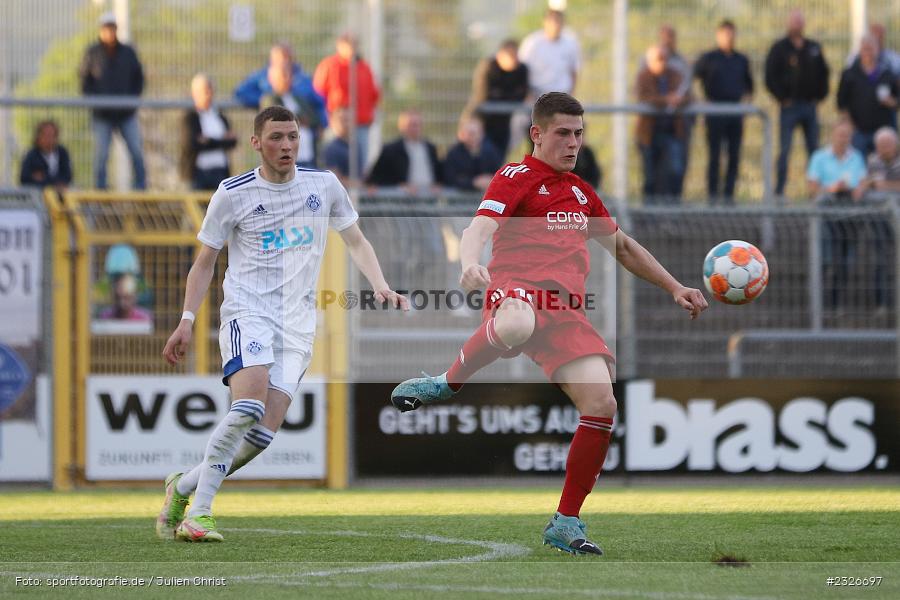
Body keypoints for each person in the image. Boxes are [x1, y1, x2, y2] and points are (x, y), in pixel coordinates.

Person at [390, 92, 708, 556]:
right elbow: (477, 228)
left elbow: (622, 248)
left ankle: (566, 520)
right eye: (563, 133)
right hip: (516, 291)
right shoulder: (516, 176)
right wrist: (470, 263)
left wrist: (675, 286)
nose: (573, 143)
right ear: (537, 134)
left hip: (566, 313)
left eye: (579, 134)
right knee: (517, 322)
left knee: (602, 402)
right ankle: (447, 382)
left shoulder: (581, 192)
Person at [157, 106, 407, 542]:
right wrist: (186, 320)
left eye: (292, 136)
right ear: (256, 143)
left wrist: (381, 284)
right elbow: (203, 265)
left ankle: (181, 487)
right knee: (248, 405)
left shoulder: (324, 185)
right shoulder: (232, 193)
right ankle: (200, 513)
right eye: (276, 137)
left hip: (297, 325)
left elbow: (356, 241)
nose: (286, 145)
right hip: (247, 312)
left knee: (260, 436)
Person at [764, 9, 830, 196]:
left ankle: (815, 193)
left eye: (800, 22)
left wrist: (820, 96)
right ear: (788, 24)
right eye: (794, 22)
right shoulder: (779, 48)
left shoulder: (813, 47)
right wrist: (781, 98)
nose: (797, 25)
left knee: (814, 151)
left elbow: (824, 73)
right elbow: (770, 76)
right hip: (789, 108)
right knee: (785, 150)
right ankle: (779, 193)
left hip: (810, 106)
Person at [78, 12, 146, 190]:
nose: (109, 32)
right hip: (102, 114)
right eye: (106, 28)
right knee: (101, 156)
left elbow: (138, 77)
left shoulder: (128, 52)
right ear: (101, 30)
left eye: (112, 28)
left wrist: (132, 99)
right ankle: (100, 191)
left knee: (136, 151)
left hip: (126, 113)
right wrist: (95, 101)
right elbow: (85, 80)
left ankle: (140, 189)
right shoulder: (92, 53)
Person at [234, 43, 327, 168]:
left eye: (289, 74)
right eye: (283, 75)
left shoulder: (299, 95)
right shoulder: (269, 98)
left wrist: (318, 123)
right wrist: (300, 120)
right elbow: (281, 121)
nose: (287, 78)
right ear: (272, 78)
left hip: (308, 156)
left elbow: (314, 115)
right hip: (285, 158)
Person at [807, 121, 868, 312]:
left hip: (850, 217)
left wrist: (860, 187)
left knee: (845, 262)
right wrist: (830, 189)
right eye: (840, 135)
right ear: (833, 135)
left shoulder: (856, 157)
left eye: (847, 135)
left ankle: (836, 303)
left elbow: (864, 179)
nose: (844, 139)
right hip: (825, 217)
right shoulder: (819, 157)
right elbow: (812, 187)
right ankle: (818, 304)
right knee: (825, 260)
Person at [694, 20, 754, 203]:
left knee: (734, 155)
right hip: (715, 112)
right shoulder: (709, 58)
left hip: (735, 113)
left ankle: (729, 196)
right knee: (714, 155)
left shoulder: (741, 59)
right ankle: (712, 196)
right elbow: (693, 79)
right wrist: (702, 103)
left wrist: (744, 107)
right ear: (718, 35)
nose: (729, 37)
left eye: (731, 33)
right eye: (725, 33)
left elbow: (749, 87)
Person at [313, 32, 380, 168]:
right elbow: (318, 94)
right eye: (349, 44)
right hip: (336, 124)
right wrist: (325, 118)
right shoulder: (330, 65)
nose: (352, 48)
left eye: (355, 44)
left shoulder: (364, 67)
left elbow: (374, 94)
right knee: (331, 162)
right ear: (339, 46)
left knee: (359, 163)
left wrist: (370, 115)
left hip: (360, 124)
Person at [635, 45, 690, 202]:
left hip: (672, 132)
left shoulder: (675, 76)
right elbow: (644, 97)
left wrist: (679, 100)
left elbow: (688, 96)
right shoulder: (643, 76)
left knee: (675, 171)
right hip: (649, 134)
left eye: (664, 59)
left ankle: (673, 209)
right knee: (650, 176)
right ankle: (649, 212)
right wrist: (666, 99)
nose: (662, 63)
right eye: (658, 59)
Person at [462, 39, 530, 158]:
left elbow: (521, 95)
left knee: (501, 155)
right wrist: (509, 97)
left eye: (515, 56)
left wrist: (501, 96)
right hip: (483, 121)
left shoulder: (522, 69)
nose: (514, 60)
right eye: (510, 56)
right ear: (500, 55)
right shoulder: (488, 67)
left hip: (504, 121)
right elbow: (483, 95)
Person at [837, 35, 899, 158]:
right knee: (859, 167)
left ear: (877, 50)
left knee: (882, 169)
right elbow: (841, 103)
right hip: (858, 131)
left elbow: (897, 101)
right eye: (865, 49)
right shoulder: (849, 74)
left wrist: (891, 101)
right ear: (860, 50)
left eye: (871, 48)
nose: (868, 52)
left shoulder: (886, 73)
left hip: (883, 133)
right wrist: (849, 124)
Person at [180, 74, 237, 190]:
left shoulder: (220, 116)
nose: (208, 94)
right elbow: (191, 144)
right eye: (204, 91)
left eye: (210, 90)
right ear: (194, 93)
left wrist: (208, 140)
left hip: (220, 172)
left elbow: (232, 141)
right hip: (199, 174)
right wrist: (221, 140)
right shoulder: (190, 118)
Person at [366, 109, 443, 193]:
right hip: (403, 201)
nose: (415, 128)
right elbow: (376, 178)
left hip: (429, 199)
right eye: (411, 125)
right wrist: (401, 186)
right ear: (401, 126)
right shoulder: (391, 150)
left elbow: (440, 174)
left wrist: (438, 185)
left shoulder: (430, 148)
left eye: (418, 124)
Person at [518, 10, 581, 97]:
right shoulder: (532, 42)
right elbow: (522, 69)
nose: (555, 25)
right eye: (552, 21)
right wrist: (527, 93)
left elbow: (574, 70)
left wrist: (573, 92)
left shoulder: (571, 43)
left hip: (562, 94)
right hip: (537, 94)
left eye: (558, 21)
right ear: (544, 22)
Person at [443, 117, 503, 192]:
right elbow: (450, 179)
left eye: (479, 132)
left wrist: (490, 179)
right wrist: (473, 182)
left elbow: (500, 172)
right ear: (462, 134)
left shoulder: (491, 152)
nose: (476, 137)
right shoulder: (454, 154)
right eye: (471, 133)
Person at [19, 120, 72, 192]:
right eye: (45, 135)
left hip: (60, 196)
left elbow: (67, 176)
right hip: (38, 196)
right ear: (38, 137)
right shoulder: (31, 155)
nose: (49, 139)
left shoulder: (62, 153)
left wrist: (44, 178)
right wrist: (54, 183)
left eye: (52, 135)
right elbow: (25, 178)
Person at [323, 107, 364, 186]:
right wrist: (357, 184)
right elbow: (333, 179)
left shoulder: (357, 146)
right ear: (333, 122)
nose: (347, 124)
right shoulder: (331, 148)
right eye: (343, 120)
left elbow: (360, 174)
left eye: (349, 120)